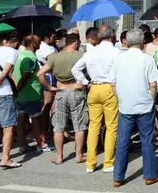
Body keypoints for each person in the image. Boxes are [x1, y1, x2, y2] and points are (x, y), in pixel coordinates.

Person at [111, 28, 158, 187]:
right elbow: (153, 84)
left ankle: (118, 177)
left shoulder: (119, 58)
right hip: (144, 104)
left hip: (125, 105)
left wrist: (120, 99)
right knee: (147, 140)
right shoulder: (147, 59)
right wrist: (152, 100)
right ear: (142, 42)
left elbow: (113, 84)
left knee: (123, 142)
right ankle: (150, 175)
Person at [71, 26, 119, 173]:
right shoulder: (117, 52)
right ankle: (108, 162)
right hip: (110, 88)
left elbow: (75, 69)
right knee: (111, 127)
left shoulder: (91, 52)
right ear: (112, 35)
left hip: (94, 88)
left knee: (93, 126)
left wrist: (86, 82)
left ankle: (90, 163)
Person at [37, 33, 88, 165]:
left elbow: (40, 74)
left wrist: (49, 87)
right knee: (79, 126)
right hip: (77, 90)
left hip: (60, 91)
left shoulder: (55, 57)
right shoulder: (81, 55)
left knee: (58, 126)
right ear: (76, 42)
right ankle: (78, 155)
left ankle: (59, 157)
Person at [0, 33, 22, 169]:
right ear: (15, 43)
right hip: (3, 93)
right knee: (8, 126)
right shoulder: (13, 52)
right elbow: (6, 71)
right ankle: (5, 158)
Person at [14, 34, 52, 154]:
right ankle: (41, 145)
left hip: (21, 95)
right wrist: (18, 89)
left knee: (21, 119)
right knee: (36, 119)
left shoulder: (20, 54)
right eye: (39, 41)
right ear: (33, 43)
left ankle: (22, 145)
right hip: (30, 94)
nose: (40, 44)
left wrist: (16, 91)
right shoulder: (30, 57)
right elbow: (25, 76)